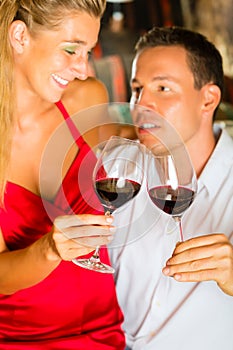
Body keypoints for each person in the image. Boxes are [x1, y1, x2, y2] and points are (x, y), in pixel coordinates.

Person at [0, 0, 125, 348]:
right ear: (19, 36)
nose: (83, 69)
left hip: (104, 333)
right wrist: (50, 251)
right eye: (71, 50)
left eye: (88, 52)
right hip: (20, 340)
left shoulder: (87, 100)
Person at [110, 26, 233, 349]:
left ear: (208, 99)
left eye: (163, 88)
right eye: (138, 89)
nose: (142, 103)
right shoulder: (111, 168)